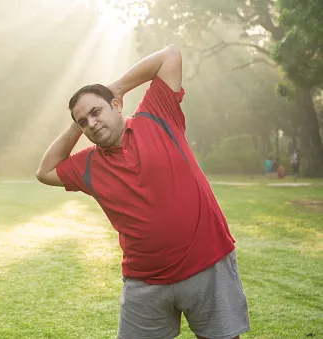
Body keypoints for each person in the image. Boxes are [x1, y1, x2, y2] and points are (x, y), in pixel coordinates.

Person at [36, 45, 250, 339]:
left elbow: (170, 55)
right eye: (84, 121)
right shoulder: (87, 164)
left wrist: (118, 86)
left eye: (96, 112)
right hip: (145, 283)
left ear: (117, 105)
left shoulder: (157, 115)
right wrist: (78, 125)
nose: (92, 123)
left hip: (208, 266)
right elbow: (44, 172)